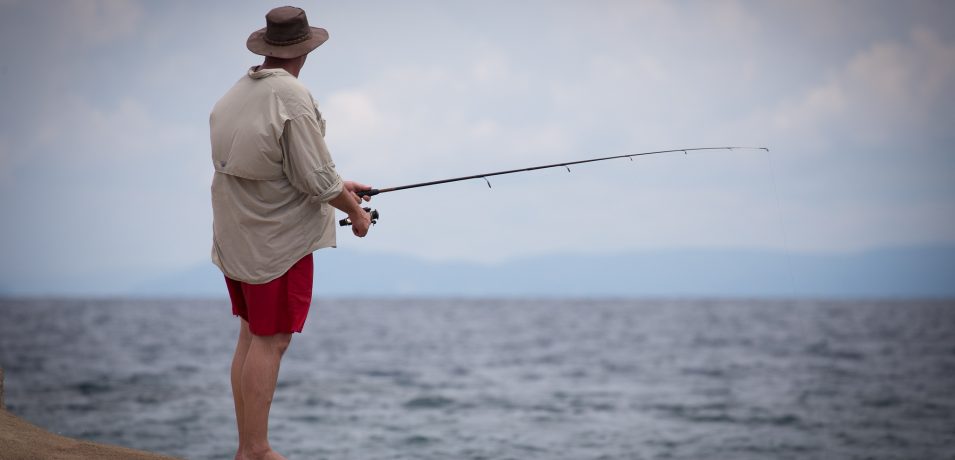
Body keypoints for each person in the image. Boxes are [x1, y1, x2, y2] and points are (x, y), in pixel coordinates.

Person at [209, 6, 372, 460]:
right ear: (305, 50)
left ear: (266, 46)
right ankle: (256, 450)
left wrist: (343, 187)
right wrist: (355, 212)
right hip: (277, 242)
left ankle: (246, 448)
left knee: (250, 333)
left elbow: (281, 168)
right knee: (272, 338)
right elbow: (317, 180)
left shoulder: (235, 94)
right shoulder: (292, 98)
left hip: (238, 235)